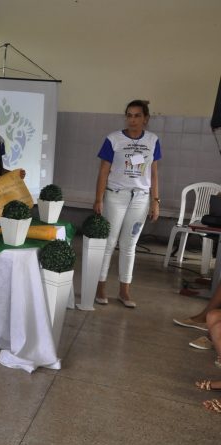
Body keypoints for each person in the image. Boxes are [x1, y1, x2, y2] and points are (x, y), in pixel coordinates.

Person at [93, 100, 161, 308]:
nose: (132, 120)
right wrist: (99, 199)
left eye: (137, 115)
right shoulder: (113, 139)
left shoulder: (152, 140)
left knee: (129, 245)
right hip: (116, 196)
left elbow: (154, 173)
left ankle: (124, 291)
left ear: (145, 118)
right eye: (129, 115)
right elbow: (103, 171)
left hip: (140, 198)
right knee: (108, 243)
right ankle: (100, 287)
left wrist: (155, 201)